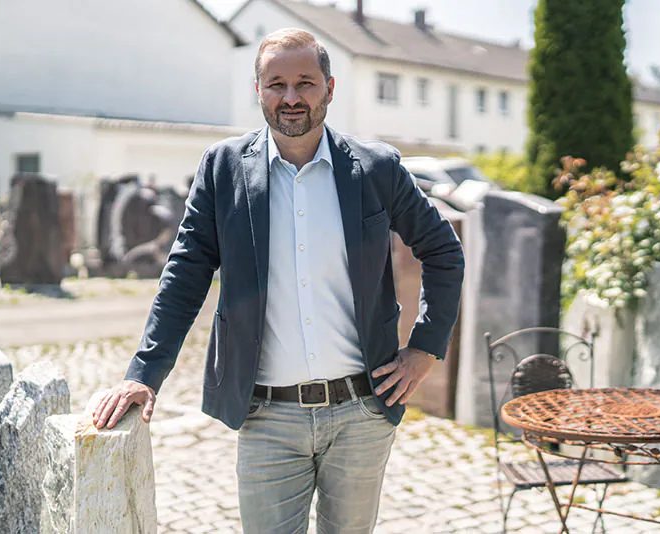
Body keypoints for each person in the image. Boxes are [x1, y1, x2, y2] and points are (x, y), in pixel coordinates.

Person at [93, 28, 464, 534]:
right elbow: (185, 275)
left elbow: (443, 251)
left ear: (329, 89)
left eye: (305, 83)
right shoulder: (223, 168)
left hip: (362, 413)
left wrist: (425, 347)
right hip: (267, 416)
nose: (291, 98)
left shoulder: (377, 168)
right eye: (277, 84)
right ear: (258, 90)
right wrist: (143, 373)